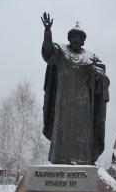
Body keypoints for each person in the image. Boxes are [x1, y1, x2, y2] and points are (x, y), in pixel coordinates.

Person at [40, 12, 109, 165]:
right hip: (63, 100)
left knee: (82, 132)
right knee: (62, 130)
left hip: (83, 103)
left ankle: (82, 160)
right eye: (74, 36)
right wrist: (47, 32)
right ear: (69, 38)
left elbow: (102, 74)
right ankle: (60, 159)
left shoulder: (91, 57)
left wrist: (99, 73)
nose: (76, 39)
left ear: (83, 41)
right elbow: (48, 52)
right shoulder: (61, 51)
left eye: (79, 37)